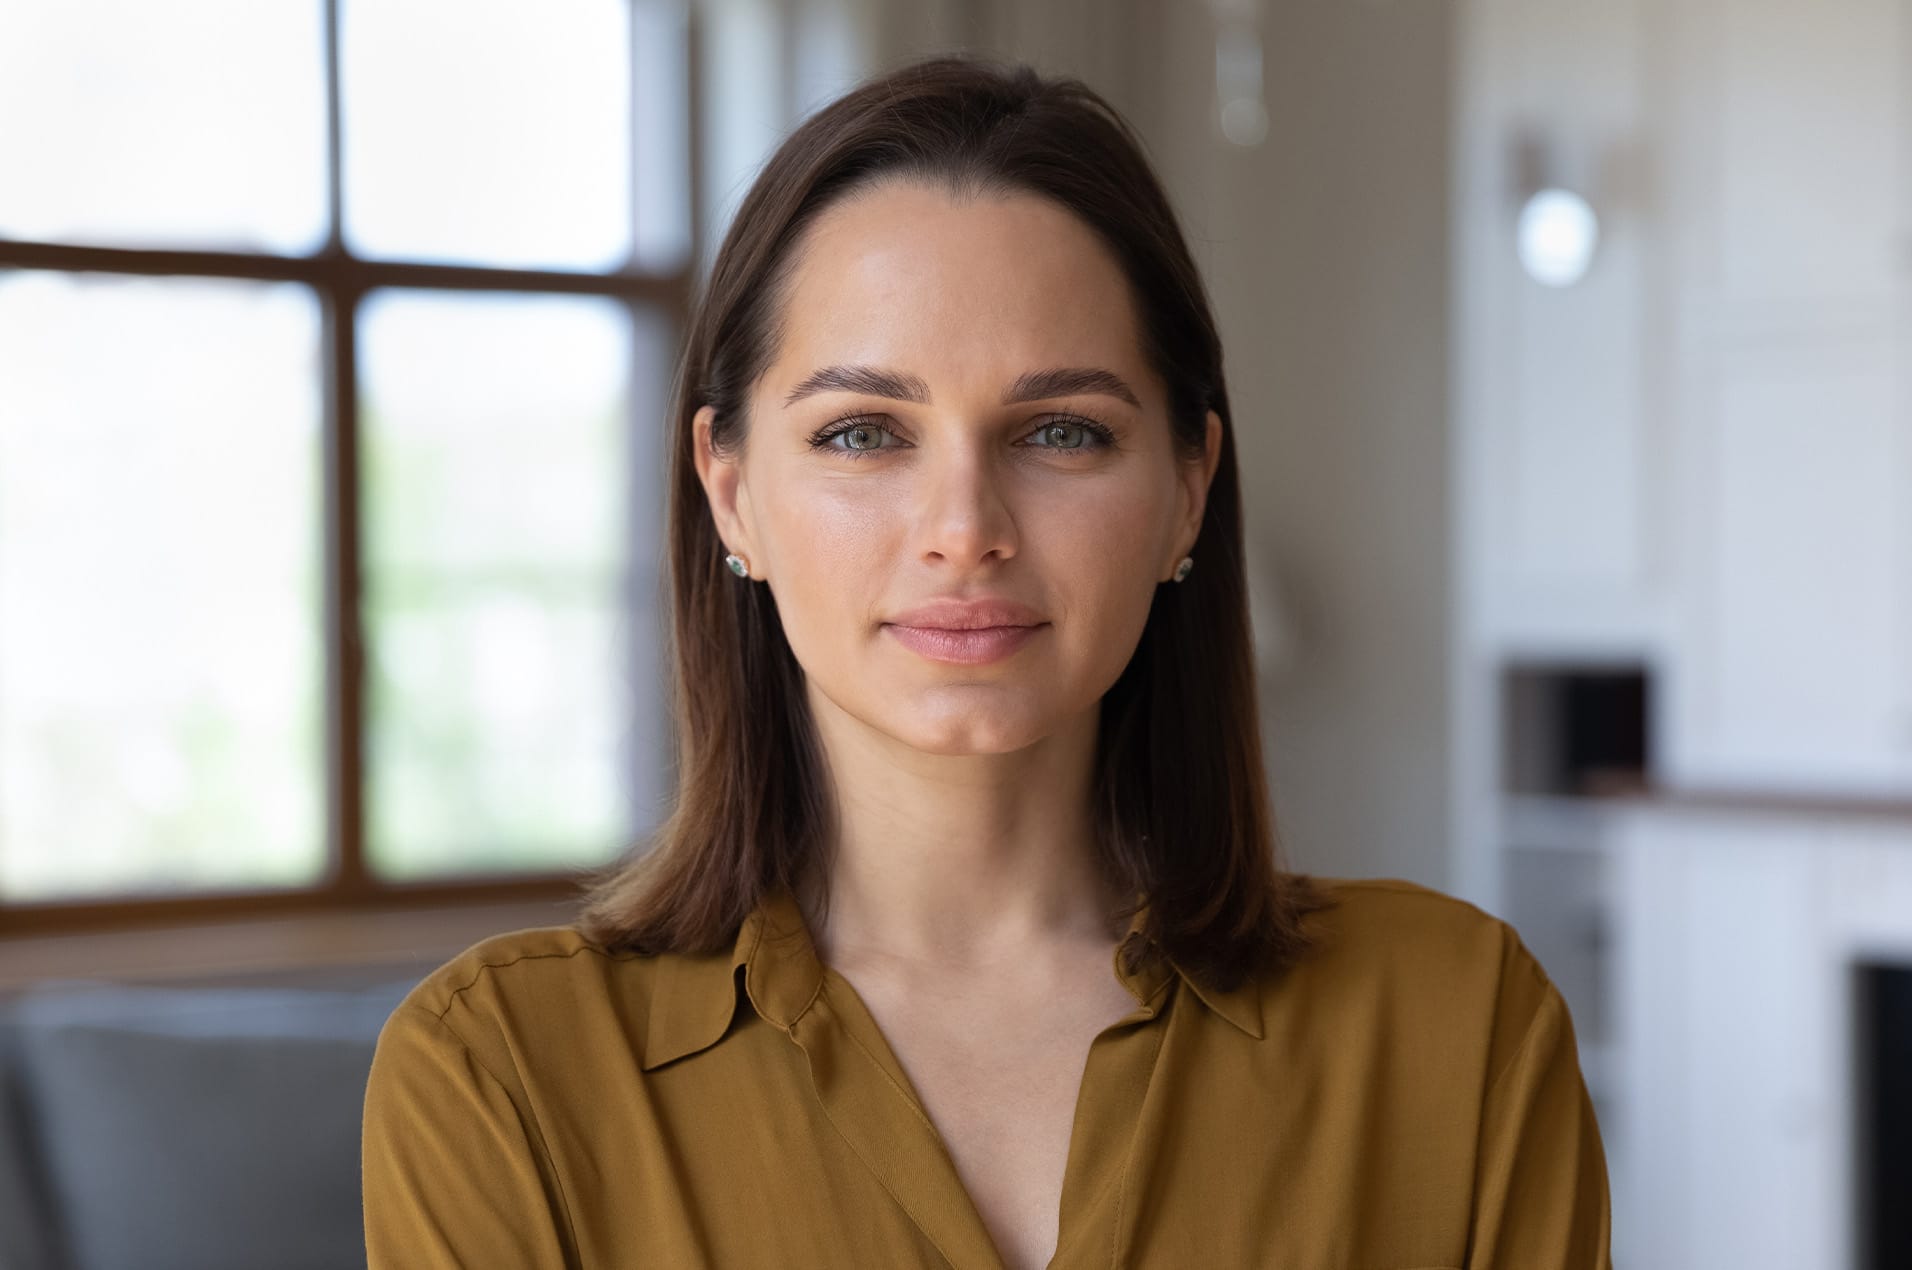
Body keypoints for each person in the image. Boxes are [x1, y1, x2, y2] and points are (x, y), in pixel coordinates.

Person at [361, 52, 1612, 1270]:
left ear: (1187, 491)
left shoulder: (1459, 1028)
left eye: (1061, 430)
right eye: (862, 433)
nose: (964, 528)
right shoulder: (500, 1078)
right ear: (730, 492)